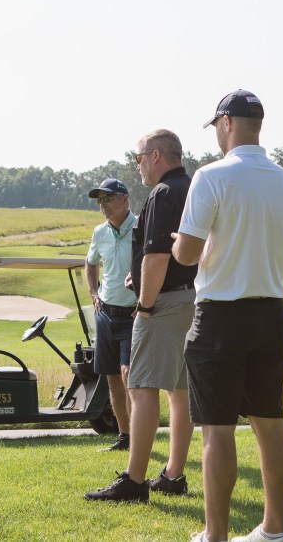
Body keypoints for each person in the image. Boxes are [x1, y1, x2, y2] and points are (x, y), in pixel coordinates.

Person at [172, 90, 283, 542]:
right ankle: (274, 530)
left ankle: (216, 535)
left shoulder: (211, 176)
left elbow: (186, 254)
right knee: (269, 421)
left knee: (217, 430)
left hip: (220, 317)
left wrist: (184, 243)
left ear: (226, 123)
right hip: (270, 314)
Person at [85, 129, 197, 503]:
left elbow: (158, 255)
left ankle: (134, 482)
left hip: (163, 303)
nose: (138, 166)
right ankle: (173, 475)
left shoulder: (162, 193)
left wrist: (145, 306)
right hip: (191, 298)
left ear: (156, 156)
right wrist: (141, 274)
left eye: (138, 158)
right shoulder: (192, 187)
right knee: (179, 391)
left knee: (141, 386)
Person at [86, 178, 137, 452]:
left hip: (133, 315)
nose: (103, 204)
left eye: (108, 198)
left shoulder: (140, 227)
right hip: (105, 313)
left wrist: (146, 301)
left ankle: (139, 437)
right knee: (112, 378)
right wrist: (93, 293)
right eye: (100, 200)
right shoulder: (100, 232)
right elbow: (90, 262)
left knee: (129, 374)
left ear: (125, 200)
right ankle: (125, 436)